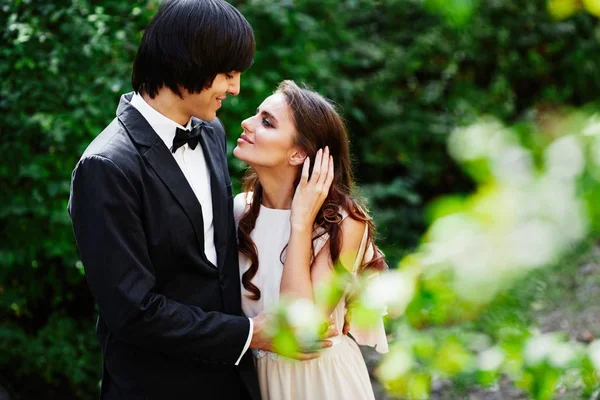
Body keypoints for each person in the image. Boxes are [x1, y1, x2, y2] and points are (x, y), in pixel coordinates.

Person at [68, 1, 266, 398]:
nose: (236, 88)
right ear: (189, 61)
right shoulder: (106, 166)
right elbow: (133, 312)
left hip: (232, 380)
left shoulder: (211, 133)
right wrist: (249, 334)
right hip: (155, 385)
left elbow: (217, 256)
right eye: (228, 74)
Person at [232, 80, 390, 400]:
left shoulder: (345, 223)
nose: (246, 123)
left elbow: (300, 324)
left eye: (267, 121)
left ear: (298, 153)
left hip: (322, 384)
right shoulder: (237, 210)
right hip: (252, 383)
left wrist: (301, 222)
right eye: (256, 114)